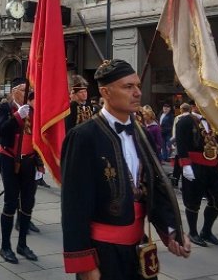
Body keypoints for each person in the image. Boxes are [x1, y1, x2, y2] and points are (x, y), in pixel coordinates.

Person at [61, 59, 190, 279]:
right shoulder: (83, 136)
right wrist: (85, 264)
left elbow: (156, 186)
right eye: (128, 87)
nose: (138, 92)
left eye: (138, 86)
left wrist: (171, 230)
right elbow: (74, 205)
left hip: (140, 248)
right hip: (103, 252)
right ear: (106, 92)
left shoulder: (144, 134)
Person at [0, 78, 39, 264]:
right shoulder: (5, 107)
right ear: (14, 92)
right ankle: (5, 246)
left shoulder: (34, 109)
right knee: (11, 201)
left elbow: (38, 137)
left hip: (29, 159)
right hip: (8, 157)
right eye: (23, 90)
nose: (27, 93)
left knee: (28, 202)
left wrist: (40, 162)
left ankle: (22, 243)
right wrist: (17, 117)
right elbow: (0, 130)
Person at [178, 101, 218, 247]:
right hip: (195, 165)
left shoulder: (214, 123)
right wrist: (185, 165)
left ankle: (207, 231)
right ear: (196, 105)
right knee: (193, 200)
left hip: (213, 166)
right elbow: (181, 144)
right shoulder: (184, 121)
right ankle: (193, 232)